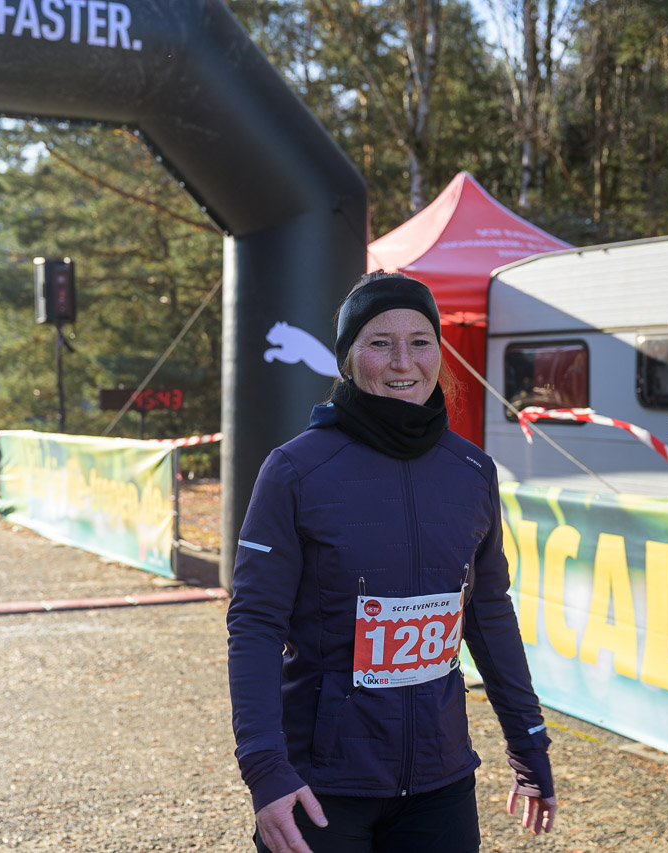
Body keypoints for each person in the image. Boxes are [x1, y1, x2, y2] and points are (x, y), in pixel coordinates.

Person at [227, 272, 557, 853]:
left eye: (420, 341)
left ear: (439, 352)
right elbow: (255, 624)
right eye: (380, 343)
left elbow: (488, 614)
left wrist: (529, 744)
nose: (404, 361)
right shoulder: (295, 471)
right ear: (348, 360)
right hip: (321, 785)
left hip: (440, 781)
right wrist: (265, 769)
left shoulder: (472, 471)